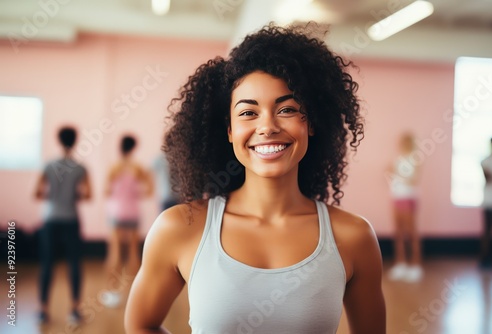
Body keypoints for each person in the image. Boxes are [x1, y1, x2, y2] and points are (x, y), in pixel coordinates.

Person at [125, 23, 386, 334]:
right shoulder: (180, 228)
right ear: (229, 130)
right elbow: (141, 324)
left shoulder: (354, 237)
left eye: (287, 109)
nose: (268, 127)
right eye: (249, 113)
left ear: (312, 123)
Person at [34, 126, 92, 324]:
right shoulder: (80, 167)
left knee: (47, 264)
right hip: (71, 219)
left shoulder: (48, 165)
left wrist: (52, 195)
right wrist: (73, 194)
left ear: (59, 140)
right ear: (75, 141)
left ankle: (43, 310)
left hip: (50, 219)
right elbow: (88, 195)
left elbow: (37, 193)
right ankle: (75, 310)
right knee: (74, 264)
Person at [99, 135, 153, 308]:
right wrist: (135, 194)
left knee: (114, 253)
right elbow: (150, 190)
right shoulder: (137, 168)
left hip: (117, 213)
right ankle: (133, 293)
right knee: (133, 253)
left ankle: (113, 293)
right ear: (133, 148)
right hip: (133, 213)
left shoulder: (114, 167)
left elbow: (106, 191)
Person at [387, 132, 423, 283]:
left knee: (411, 231)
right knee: (398, 232)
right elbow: (393, 178)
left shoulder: (415, 158)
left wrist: (395, 175)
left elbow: (413, 180)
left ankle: (415, 266)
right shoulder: (398, 159)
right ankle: (401, 264)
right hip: (396, 197)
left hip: (409, 197)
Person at [480, 137, 492, 269]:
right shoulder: (485, 161)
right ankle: (484, 258)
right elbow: (489, 178)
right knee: (487, 231)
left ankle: (489, 258)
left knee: (490, 231)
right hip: (487, 202)